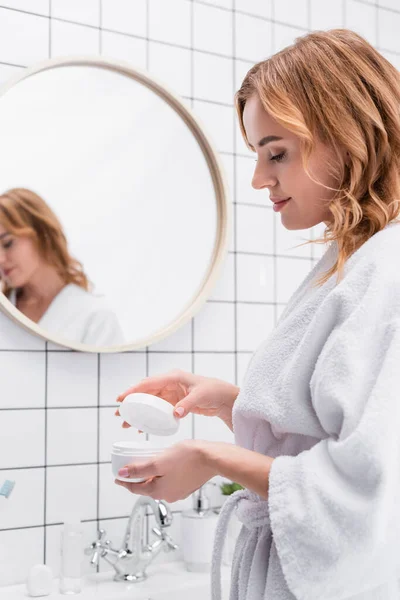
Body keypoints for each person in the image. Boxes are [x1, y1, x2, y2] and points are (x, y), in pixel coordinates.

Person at [113, 29, 400, 600]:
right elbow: (321, 433)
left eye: (277, 153)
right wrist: (230, 403)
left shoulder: (389, 269)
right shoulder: (351, 264)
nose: (258, 179)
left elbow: (371, 487)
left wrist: (211, 457)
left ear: (348, 136)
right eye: (257, 155)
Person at [0, 188, 125, 346]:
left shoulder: (95, 317)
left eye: (8, 243)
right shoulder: (5, 312)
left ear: (42, 234)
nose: (1, 259)